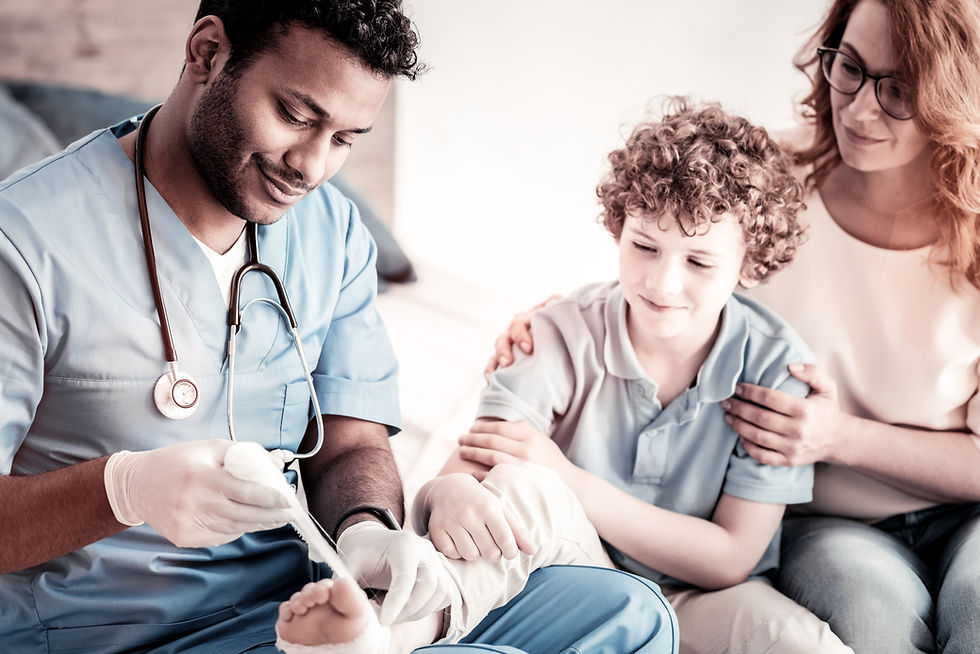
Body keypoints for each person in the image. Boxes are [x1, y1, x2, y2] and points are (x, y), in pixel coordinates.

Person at [0, 2, 677, 652]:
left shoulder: (330, 230)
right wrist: (124, 489)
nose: (312, 166)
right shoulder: (24, 243)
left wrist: (365, 530)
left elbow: (352, 442)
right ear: (207, 53)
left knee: (631, 613)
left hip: (307, 612)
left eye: (345, 139)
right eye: (296, 116)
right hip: (121, 635)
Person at [486, 1, 980, 652]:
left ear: (953, 95)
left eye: (899, 90)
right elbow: (660, 272)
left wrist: (840, 437)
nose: (860, 110)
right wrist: (555, 326)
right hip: (819, 517)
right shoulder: (768, 180)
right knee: (872, 621)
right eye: (850, 68)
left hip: (967, 512)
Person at [420, 98, 856, 653]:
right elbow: (469, 471)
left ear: (749, 264)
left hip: (704, 596)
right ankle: (394, 630)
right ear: (618, 229)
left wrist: (570, 479)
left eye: (699, 262)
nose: (662, 283)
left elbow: (729, 558)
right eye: (644, 247)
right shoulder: (557, 333)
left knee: (805, 645)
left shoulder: (777, 368)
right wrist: (446, 491)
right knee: (521, 485)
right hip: (576, 572)